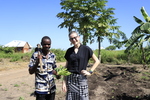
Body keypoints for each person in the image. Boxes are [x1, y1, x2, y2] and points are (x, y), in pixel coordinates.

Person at [62, 31, 100, 100]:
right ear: (69, 40)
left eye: (75, 37)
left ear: (79, 37)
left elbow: (97, 61)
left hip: (81, 79)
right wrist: (64, 82)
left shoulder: (86, 49)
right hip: (70, 79)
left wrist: (90, 72)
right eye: (71, 39)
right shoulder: (69, 51)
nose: (74, 40)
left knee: (83, 98)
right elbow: (66, 67)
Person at [28, 36, 58, 100]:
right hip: (41, 89)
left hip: (51, 88)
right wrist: (37, 62)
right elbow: (30, 71)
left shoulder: (53, 56)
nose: (47, 46)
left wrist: (57, 73)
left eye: (48, 44)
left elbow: (55, 69)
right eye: (45, 44)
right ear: (41, 44)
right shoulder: (35, 55)